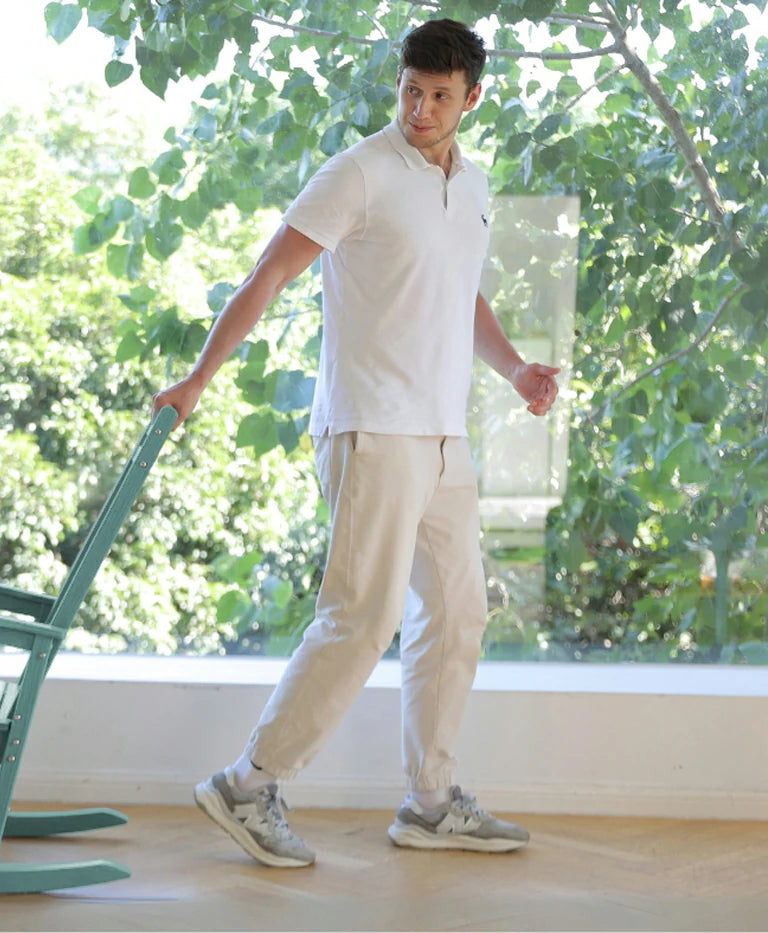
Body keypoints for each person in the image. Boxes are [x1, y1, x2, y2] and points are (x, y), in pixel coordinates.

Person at [153, 18, 561, 867]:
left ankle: (431, 800)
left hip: (444, 435)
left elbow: (462, 294)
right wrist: (198, 378)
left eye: (440, 96)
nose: (419, 108)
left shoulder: (474, 184)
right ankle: (247, 783)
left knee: (458, 615)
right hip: (371, 426)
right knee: (362, 616)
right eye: (411, 89)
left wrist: (516, 369)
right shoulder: (361, 173)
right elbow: (268, 272)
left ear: (472, 98)